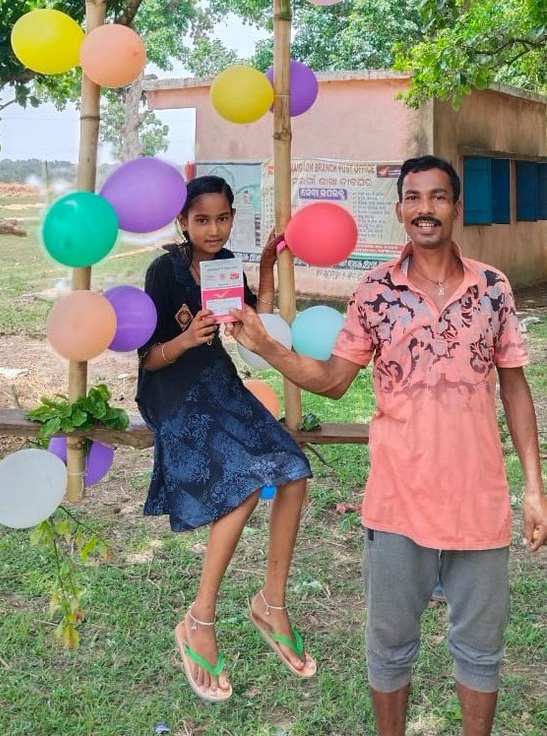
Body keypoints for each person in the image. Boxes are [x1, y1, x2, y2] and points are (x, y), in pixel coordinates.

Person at [228, 155, 547, 736]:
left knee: (480, 653)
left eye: (438, 196)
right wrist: (270, 349)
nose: (426, 208)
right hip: (398, 504)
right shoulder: (375, 290)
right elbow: (333, 379)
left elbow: (516, 390)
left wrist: (534, 488)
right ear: (401, 208)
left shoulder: (494, 288)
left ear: (457, 207)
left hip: (480, 502)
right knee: (390, 651)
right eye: (415, 198)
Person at [136, 174, 316, 704]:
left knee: (295, 472)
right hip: (172, 391)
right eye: (201, 220)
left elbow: (253, 324)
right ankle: (200, 619)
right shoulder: (163, 271)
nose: (213, 229)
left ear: (233, 218)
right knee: (241, 485)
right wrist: (187, 339)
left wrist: (261, 266)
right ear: (183, 222)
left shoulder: (225, 266)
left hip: (220, 384)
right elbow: (147, 358)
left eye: (222, 218)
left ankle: (272, 603)